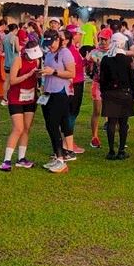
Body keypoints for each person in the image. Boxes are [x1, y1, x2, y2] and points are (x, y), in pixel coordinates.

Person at [0, 31, 40, 170]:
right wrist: (28, 75)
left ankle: (21, 158)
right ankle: (6, 160)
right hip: (16, 98)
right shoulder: (18, 60)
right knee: (18, 128)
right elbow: (12, 80)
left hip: (30, 98)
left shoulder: (37, 60)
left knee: (26, 128)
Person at [39, 29, 75, 173]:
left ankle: (61, 158)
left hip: (60, 92)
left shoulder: (65, 53)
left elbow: (71, 73)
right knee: (49, 125)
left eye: (52, 43)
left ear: (58, 40)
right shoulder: (48, 54)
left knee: (54, 125)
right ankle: (57, 156)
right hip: (48, 92)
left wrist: (54, 72)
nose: (50, 46)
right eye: (47, 44)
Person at [99, 32, 134, 160]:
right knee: (123, 123)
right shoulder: (127, 59)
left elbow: (102, 78)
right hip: (125, 93)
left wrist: (103, 92)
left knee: (111, 122)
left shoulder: (105, 58)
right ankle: (121, 150)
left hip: (109, 93)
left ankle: (111, 150)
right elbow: (133, 79)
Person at [63, 26, 86, 156]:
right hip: (74, 84)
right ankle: (68, 143)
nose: (81, 37)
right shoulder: (69, 50)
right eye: (79, 34)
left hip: (77, 82)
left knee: (72, 113)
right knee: (71, 113)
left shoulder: (73, 49)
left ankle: (68, 141)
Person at [86, 29, 110, 148]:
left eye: (105, 39)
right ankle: (94, 136)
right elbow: (89, 65)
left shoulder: (113, 52)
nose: (102, 42)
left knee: (111, 111)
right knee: (97, 111)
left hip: (110, 85)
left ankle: (111, 133)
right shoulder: (94, 52)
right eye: (101, 39)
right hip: (98, 83)